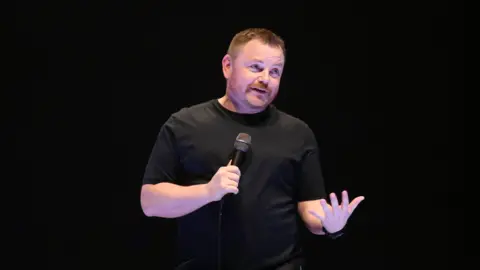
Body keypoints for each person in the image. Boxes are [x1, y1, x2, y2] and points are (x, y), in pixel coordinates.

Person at [140, 28, 365, 270]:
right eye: (256, 68)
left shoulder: (297, 133)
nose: (265, 79)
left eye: (275, 72)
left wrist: (329, 224)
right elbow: (151, 202)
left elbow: (309, 206)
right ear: (228, 66)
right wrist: (207, 191)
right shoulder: (185, 125)